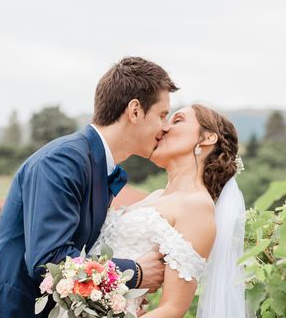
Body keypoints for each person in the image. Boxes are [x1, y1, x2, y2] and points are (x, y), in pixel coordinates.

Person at [0, 57, 179, 318]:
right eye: (162, 115)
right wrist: (134, 273)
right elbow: (50, 260)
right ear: (135, 110)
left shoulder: (98, 166)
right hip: (0, 307)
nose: (166, 126)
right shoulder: (63, 160)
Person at [90, 104, 247, 317]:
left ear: (207, 138)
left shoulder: (197, 206)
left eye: (178, 120)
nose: (163, 128)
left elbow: (172, 309)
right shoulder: (156, 196)